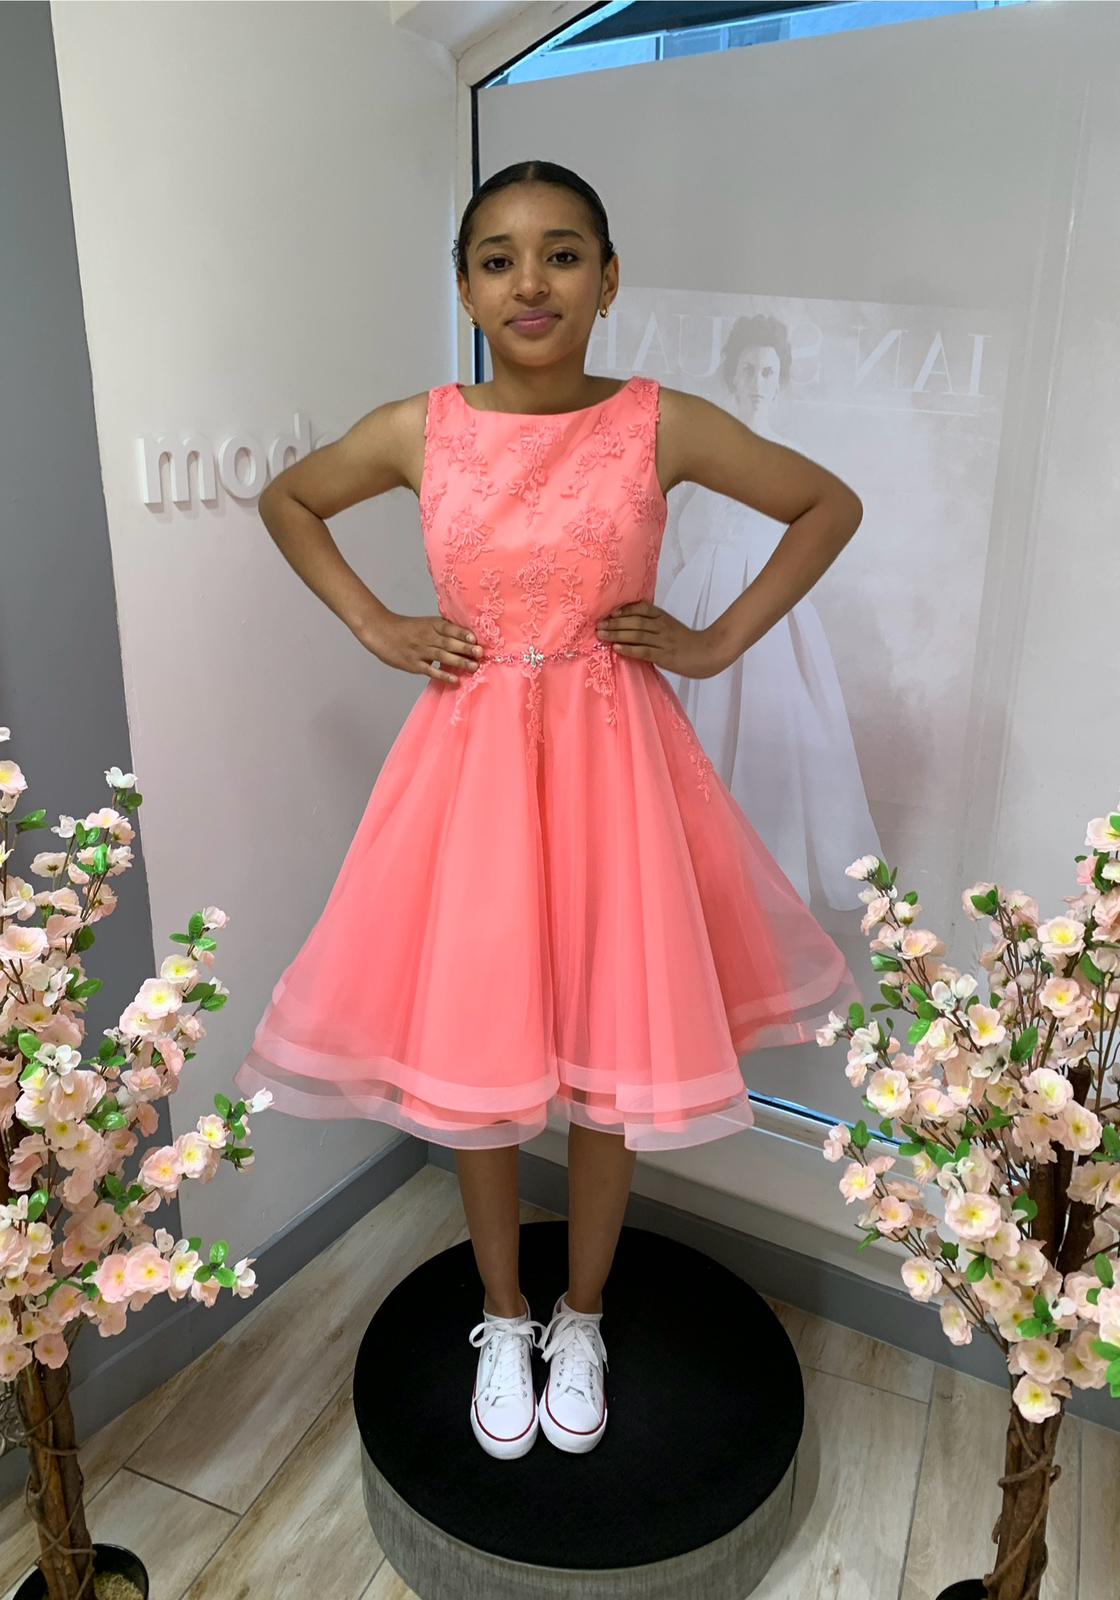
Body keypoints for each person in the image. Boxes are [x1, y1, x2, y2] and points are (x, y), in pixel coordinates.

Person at [233, 160, 865, 1462]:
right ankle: (505, 1313)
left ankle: (583, 1313)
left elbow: (826, 504)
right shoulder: (419, 430)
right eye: (499, 258)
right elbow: (288, 499)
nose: (531, 281)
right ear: (466, 286)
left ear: (608, 278)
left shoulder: (657, 422)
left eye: (563, 253)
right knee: (478, 1052)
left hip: (618, 773)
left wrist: (713, 642)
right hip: (470, 777)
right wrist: (376, 623)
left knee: (613, 1054)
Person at [656, 314, 884, 912]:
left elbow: (815, 527)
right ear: (732, 375)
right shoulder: (700, 454)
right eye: (749, 369)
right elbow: (673, 528)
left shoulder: (791, 457)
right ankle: (691, 872)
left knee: (768, 733)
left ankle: (758, 880)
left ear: (779, 382)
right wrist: (686, 584)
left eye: (768, 372)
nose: (757, 381)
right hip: (699, 597)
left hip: (763, 608)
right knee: (692, 732)